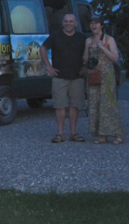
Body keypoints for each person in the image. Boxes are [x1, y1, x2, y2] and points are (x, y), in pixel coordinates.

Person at [39, 14, 87, 143]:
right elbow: (43, 48)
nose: (68, 23)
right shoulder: (55, 36)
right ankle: (60, 133)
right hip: (59, 76)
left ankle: (73, 133)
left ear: (76, 23)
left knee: (74, 106)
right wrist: (48, 67)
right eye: (66, 21)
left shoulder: (82, 38)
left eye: (71, 21)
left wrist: (86, 67)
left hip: (77, 76)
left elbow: (89, 53)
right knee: (59, 106)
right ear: (62, 23)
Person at [83, 15, 123, 144]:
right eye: (91, 23)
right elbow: (85, 59)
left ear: (101, 25)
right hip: (94, 74)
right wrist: (87, 52)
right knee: (95, 103)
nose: (93, 25)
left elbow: (115, 58)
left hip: (107, 75)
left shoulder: (109, 39)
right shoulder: (88, 40)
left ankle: (117, 134)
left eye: (96, 23)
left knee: (109, 104)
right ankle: (102, 134)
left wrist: (102, 47)